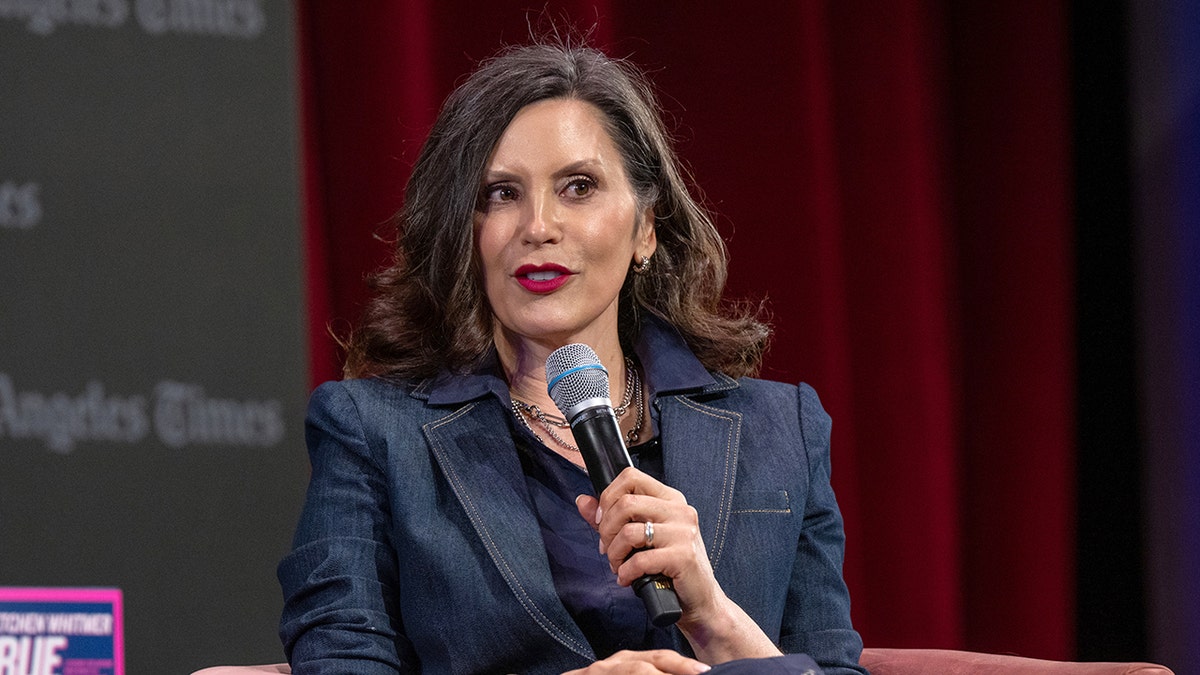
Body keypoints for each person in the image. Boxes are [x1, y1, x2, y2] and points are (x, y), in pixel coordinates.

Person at [278, 39, 867, 675]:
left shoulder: (780, 431)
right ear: (463, 232)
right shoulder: (372, 431)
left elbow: (831, 666)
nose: (538, 225)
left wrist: (712, 617)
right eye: (500, 194)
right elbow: (342, 663)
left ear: (646, 226)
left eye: (578, 187)